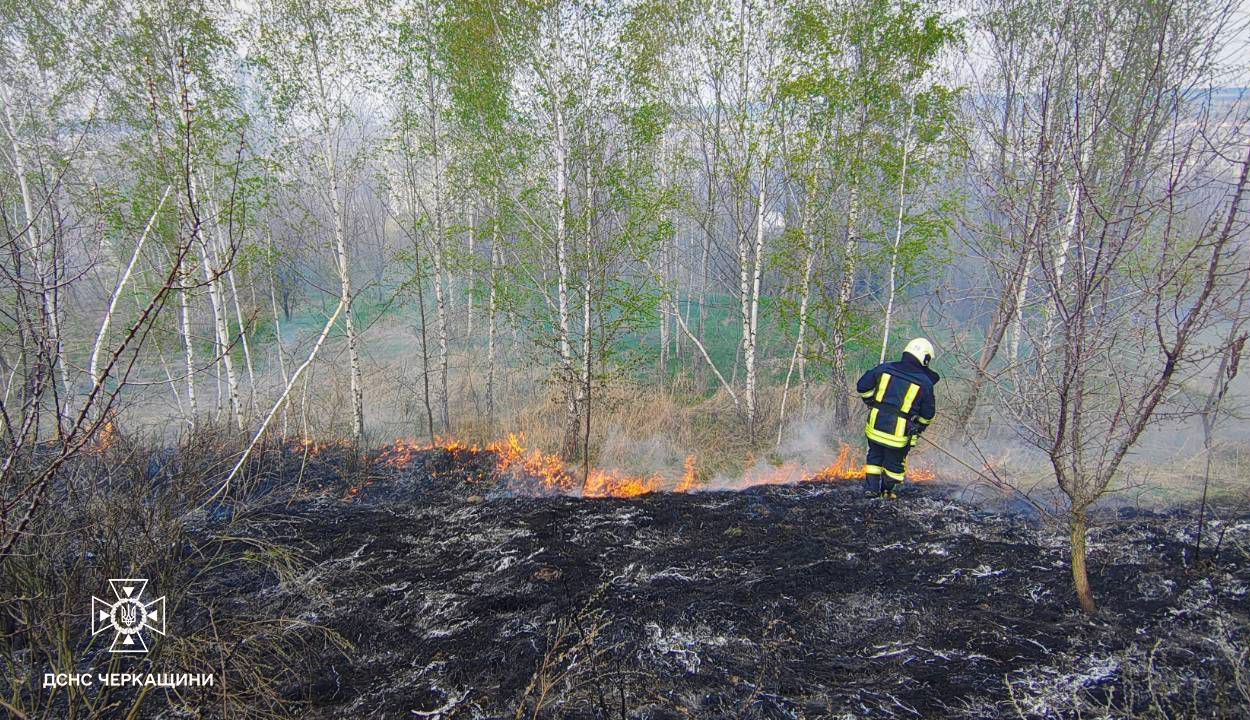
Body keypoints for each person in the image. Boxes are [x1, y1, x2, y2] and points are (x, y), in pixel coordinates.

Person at [855, 338, 939, 499]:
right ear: (925, 358)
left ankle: (871, 489)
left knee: (874, 455)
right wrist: (919, 427)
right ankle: (886, 492)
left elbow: (862, 386)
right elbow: (928, 414)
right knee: (894, 464)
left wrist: (871, 401)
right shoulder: (924, 383)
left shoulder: (885, 368)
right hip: (898, 433)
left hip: (875, 425)